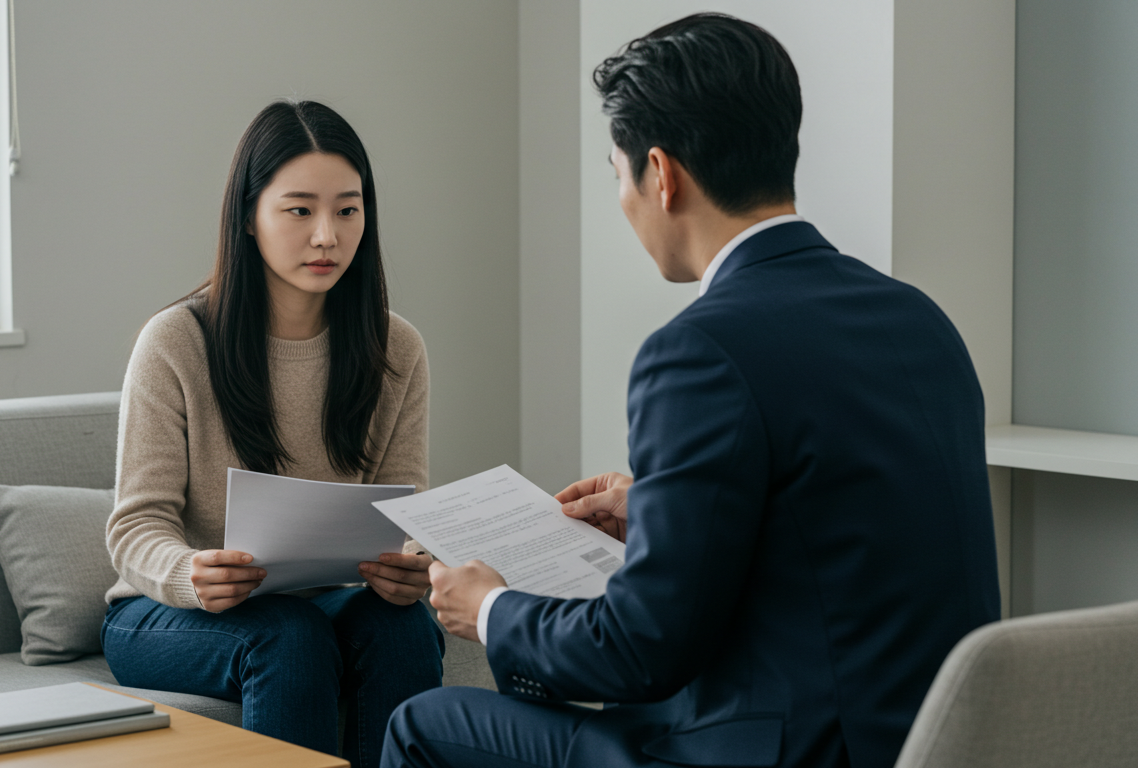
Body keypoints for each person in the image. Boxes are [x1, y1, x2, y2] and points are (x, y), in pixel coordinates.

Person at [384, 13, 999, 768]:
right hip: (928, 742)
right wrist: (657, 509)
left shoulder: (697, 352)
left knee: (425, 722)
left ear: (661, 174)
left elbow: (642, 651)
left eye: (618, 175)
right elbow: (843, 526)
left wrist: (490, 610)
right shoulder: (920, 320)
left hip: (781, 750)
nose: (623, 201)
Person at [101, 100, 444, 768]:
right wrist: (190, 572)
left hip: (323, 603)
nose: (326, 236)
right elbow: (134, 528)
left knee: (402, 627)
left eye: (348, 210)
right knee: (288, 634)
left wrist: (413, 564)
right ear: (250, 217)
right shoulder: (176, 343)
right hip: (167, 614)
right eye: (299, 210)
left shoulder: (395, 348)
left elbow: (409, 512)